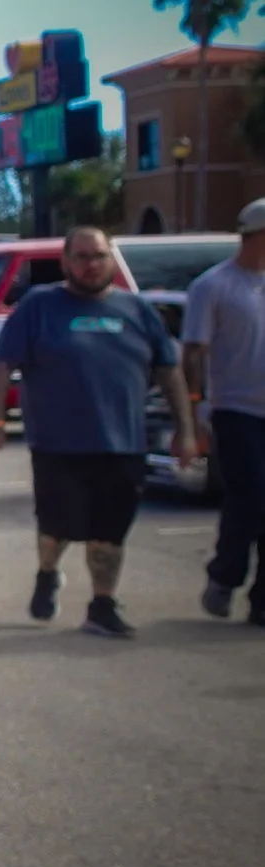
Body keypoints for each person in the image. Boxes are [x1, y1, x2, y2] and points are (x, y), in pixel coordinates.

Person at [0, 227, 192, 637]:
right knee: (57, 527)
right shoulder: (39, 306)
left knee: (109, 531)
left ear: (111, 259)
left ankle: (102, 604)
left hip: (123, 442)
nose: (91, 265)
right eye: (81, 257)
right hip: (58, 443)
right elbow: (3, 364)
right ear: (65, 262)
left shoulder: (138, 310)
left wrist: (186, 430)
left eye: (99, 256)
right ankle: (48, 572)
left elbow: (169, 371)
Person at [182, 198, 265, 622]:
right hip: (235, 410)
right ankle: (225, 576)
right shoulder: (213, 286)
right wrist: (195, 410)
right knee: (249, 499)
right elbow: (194, 352)